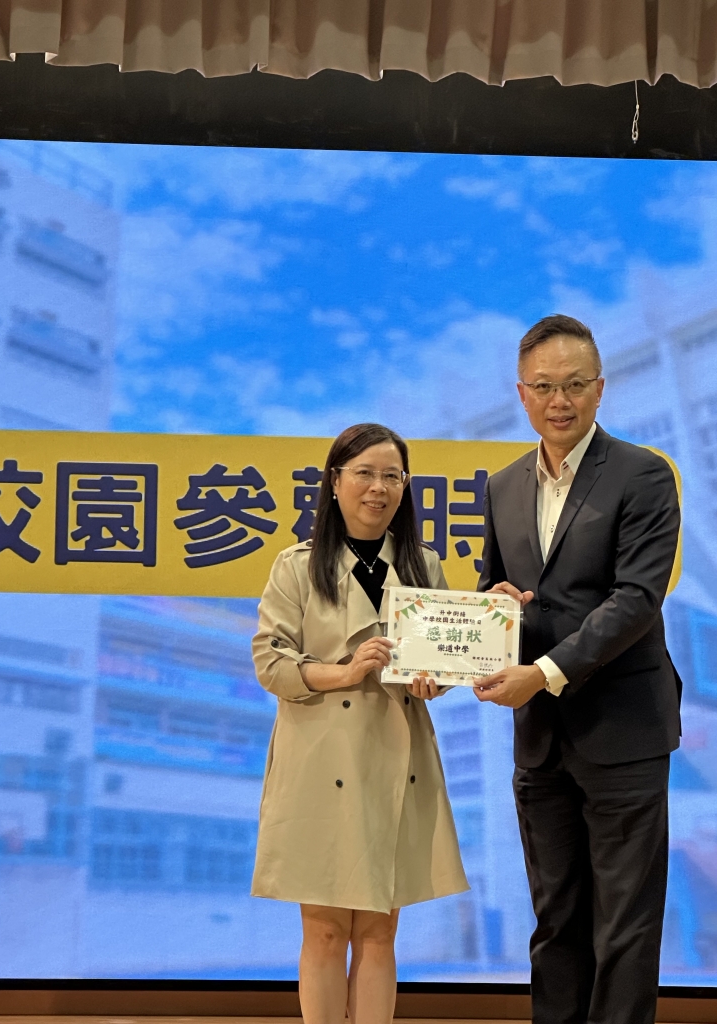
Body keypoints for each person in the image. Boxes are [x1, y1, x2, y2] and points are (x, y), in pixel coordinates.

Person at [474, 315, 681, 1024]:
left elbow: (637, 599)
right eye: (543, 387)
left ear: (600, 388)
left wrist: (544, 671)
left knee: (625, 924)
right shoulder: (503, 486)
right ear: (521, 394)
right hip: (540, 738)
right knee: (556, 918)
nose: (558, 400)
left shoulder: (643, 473)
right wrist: (481, 627)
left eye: (573, 384)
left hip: (623, 729)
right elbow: (493, 592)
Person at [251, 422, 468, 1024]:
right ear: (335, 481)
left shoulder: (423, 564)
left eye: (392, 476)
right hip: (319, 759)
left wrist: (436, 680)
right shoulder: (296, 566)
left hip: (394, 758)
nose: (379, 488)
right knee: (324, 930)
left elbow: (446, 663)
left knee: (379, 931)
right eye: (365, 474)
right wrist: (344, 672)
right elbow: (271, 662)